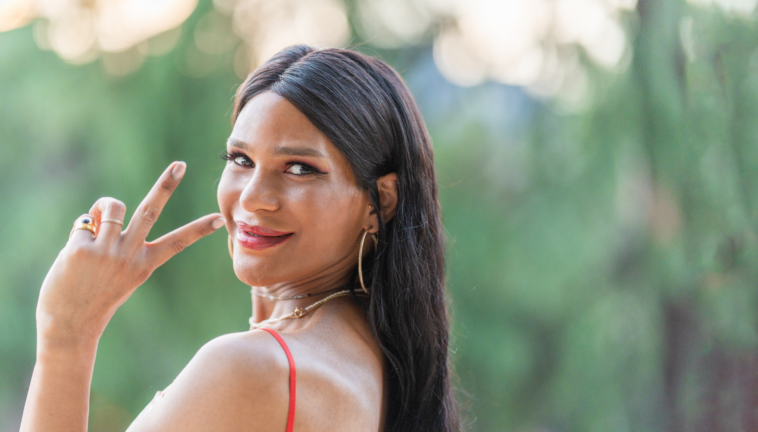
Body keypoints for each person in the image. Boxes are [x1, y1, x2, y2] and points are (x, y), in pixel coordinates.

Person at [20, 45, 460, 432]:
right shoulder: (385, 363)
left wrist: (67, 336)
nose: (253, 198)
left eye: (299, 168)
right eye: (241, 159)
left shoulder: (249, 370)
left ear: (379, 202)